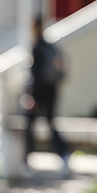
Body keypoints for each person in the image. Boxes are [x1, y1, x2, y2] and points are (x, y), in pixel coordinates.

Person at [22, 17, 71, 177]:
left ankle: (26, 162)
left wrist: (30, 95)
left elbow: (34, 75)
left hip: (38, 93)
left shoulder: (37, 47)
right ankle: (63, 154)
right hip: (52, 91)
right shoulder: (49, 46)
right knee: (50, 123)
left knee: (30, 126)